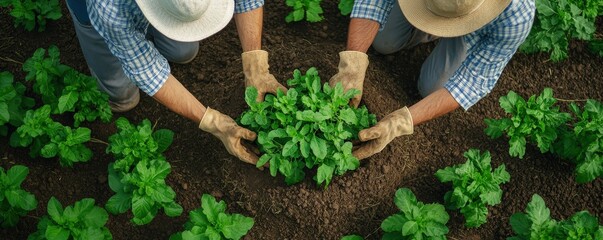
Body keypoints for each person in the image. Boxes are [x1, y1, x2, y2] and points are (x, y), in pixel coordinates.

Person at [64, 0, 283, 164]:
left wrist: (256, 67)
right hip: (95, 13)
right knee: (123, 98)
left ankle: (151, 31)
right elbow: (147, 71)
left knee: (183, 51)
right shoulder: (107, 7)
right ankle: (110, 49)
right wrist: (215, 124)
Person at [328, 0, 535, 159]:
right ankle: (427, 25)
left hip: (474, 33)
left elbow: (471, 82)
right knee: (383, 42)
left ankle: (448, 31)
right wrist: (352, 64)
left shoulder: (516, 13)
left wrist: (400, 121)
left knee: (432, 88)